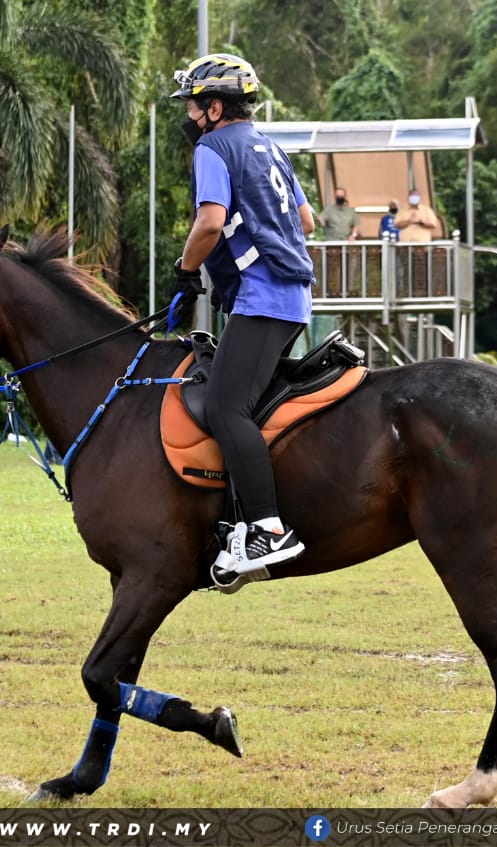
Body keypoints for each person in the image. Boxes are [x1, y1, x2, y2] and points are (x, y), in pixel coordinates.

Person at [170, 52, 313, 573]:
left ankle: (268, 530)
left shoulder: (213, 148)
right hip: (295, 298)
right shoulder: (271, 148)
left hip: (262, 299)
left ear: (213, 106)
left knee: (227, 408)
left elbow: (210, 223)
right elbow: (307, 219)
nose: (188, 117)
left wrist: (186, 271)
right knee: (254, 406)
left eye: (191, 106)